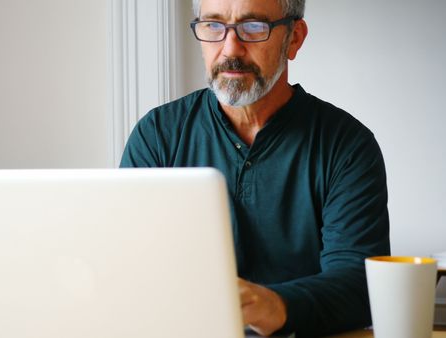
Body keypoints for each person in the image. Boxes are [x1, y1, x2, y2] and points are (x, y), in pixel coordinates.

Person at [120, 0, 390, 336]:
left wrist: (274, 306)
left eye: (253, 27)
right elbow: (127, 267)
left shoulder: (347, 145)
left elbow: (358, 286)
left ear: (294, 38)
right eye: (213, 26)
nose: (230, 48)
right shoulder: (157, 135)